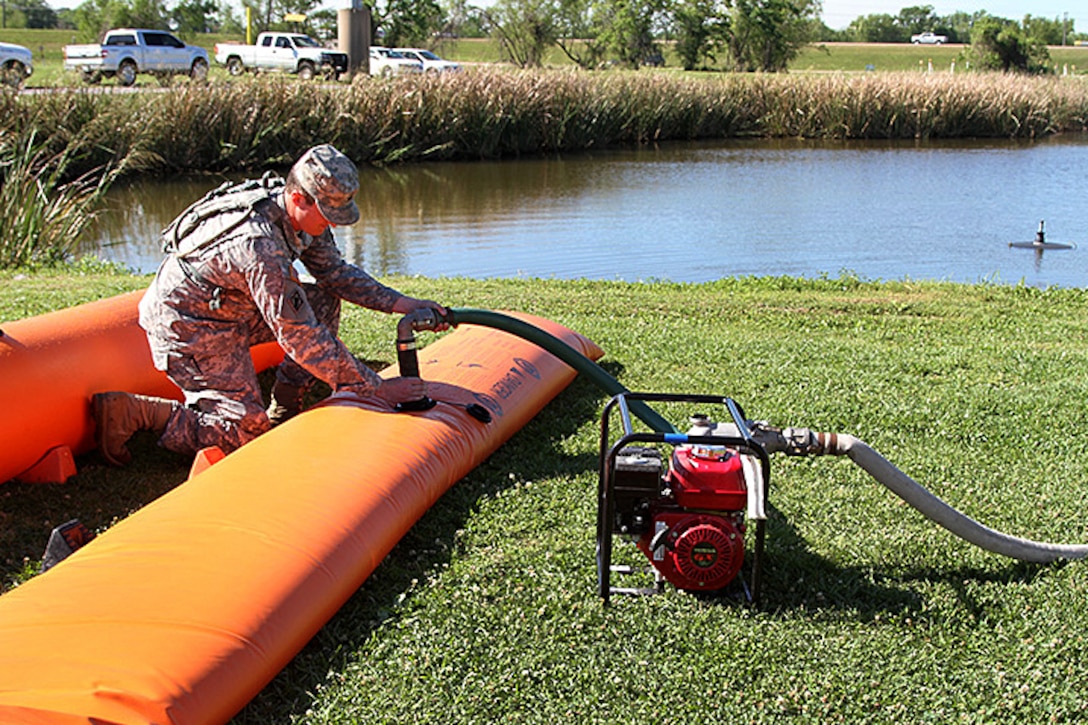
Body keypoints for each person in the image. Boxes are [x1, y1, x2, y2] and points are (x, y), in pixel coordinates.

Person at [92, 144, 448, 466]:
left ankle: (287, 402)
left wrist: (404, 304)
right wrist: (379, 388)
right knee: (244, 432)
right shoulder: (260, 245)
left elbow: (334, 274)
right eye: (326, 214)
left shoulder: (298, 217)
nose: (330, 225)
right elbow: (300, 337)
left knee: (322, 298)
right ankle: (136, 412)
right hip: (190, 325)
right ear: (298, 197)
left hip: (232, 309)